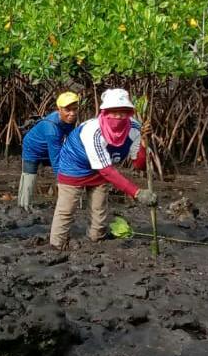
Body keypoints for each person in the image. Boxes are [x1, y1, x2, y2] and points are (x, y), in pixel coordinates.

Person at [49, 88, 158, 248]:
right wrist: (137, 193)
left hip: (100, 169)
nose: (118, 117)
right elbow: (107, 171)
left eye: (123, 112)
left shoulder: (135, 128)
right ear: (105, 113)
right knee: (66, 209)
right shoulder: (94, 131)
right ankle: (56, 244)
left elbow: (139, 164)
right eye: (113, 112)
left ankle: (96, 241)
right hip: (74, 166)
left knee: (99, 211)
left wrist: (143, 142)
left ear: (129, 113)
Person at [17, 91, 80, 211]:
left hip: (51, 145)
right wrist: (63, 182)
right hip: (32, 148)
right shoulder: (52, 130)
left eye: (75, 109)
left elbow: (71, 140)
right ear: (59, 109)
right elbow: (56, 160)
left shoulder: (69, 120)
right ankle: (23, 206)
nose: (72, 113)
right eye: (67, 110)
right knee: (29, 177)